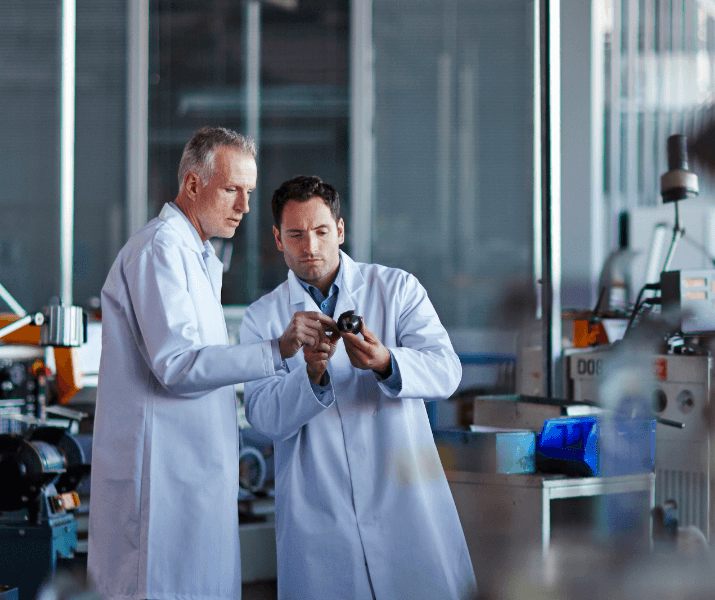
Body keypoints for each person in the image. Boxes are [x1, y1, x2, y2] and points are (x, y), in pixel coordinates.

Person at [89, 127, 309, 600]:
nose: (244, 208)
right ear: (192, 185)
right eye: (232, 189)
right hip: (161, 483)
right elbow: (179, 365)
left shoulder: (197, 255)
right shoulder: (160, 249)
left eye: (249, 193)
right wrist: (275, 351)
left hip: (192, 478)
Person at [239, 175, 474, 600]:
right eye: (295, 234)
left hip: (404, 503)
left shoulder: (397, 289)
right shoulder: (263, 319)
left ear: (340, 230)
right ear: (277, 238)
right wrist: (308, 375)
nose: (309, 246)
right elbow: (263, 416)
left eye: (321, 231)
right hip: (320, 518)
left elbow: (446, 371)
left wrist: (387, 362)